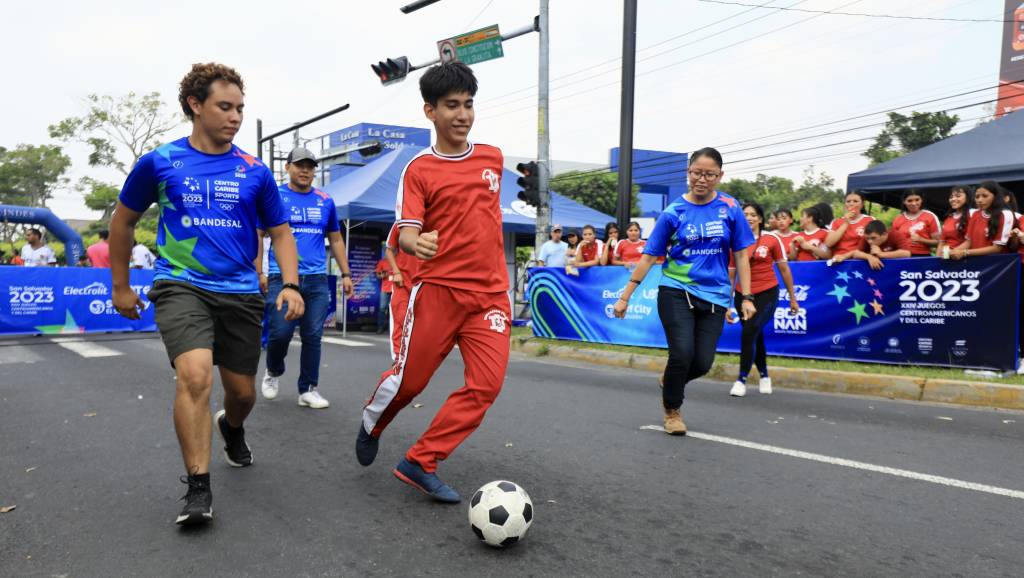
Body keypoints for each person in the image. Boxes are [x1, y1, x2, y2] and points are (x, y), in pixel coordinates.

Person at [109, 63, 305, 526]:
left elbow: (280, 232)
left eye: (240, 108)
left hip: (240, 292)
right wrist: (119, 286)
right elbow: (123, 221)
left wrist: (291, 283)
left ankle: (231, 427)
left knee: (241, 393)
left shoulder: (255, 172)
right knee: (195, 377)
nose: (235, 116)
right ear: (196, 106)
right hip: (181, 284)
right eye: (225, 106)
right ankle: (198, 488)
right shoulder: (159, 161)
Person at [355, 62, 511, 504]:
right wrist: (415, 243)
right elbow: (405, 230)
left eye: (468, 104)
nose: (462, 115)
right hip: (437, 292)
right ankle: (373, 421)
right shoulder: (418, 169)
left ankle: (422, 459)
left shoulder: (492, 159)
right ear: (430, 111)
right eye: (451, 106)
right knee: (411, 382)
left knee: (487, 385)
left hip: (490, 297)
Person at [614, 147, 756, 436]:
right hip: (675, 289)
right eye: (696, 173)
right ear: (688, 173)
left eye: (709, 174)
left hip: (715, 295)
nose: (702, 179)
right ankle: (672, 411)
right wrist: (625, 295)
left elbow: (741, 254)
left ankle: (670, 379)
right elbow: (649, 257)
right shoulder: (673, 212)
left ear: (720, 176)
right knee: (681, 353)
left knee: (702, 362)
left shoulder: (730, 207)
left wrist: (747, 297)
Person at [258, 147, 355, 409]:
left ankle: (308, 389)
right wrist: (260, 271)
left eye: (310, 166)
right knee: (281, 332)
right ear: (288, 167)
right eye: (300, 165)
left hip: (317, 280)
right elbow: (259, 233)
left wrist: (346, 274)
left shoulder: (325, 200)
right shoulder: (274, 196)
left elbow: (335, 238)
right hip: (282, 278)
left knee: (313, 334)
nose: (305, 171)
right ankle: (273, 371)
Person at [727, 202, 799, 397]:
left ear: (760, 218)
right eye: (745, 214)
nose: (749, 217)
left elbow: (784, 269)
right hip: (743, 295)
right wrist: (727, 303)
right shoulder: (735, 241)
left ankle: (741, 379)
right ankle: (764, 375)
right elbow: (731, 275)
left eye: (753, 214)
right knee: (754, 334)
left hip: (767, 292)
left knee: (750, 331)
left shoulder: (772, 239)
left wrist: (793, 298)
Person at [384, 221, 421, 360]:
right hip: (403, 282)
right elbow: (389, 250)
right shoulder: (400, 223)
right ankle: (398, 360)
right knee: (400, 320)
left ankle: (414, 359)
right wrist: (396, 272)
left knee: (421, 324)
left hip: (424, 283)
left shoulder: (435, 221)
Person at [951, 180, 1014, 260]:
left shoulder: (1005, 214)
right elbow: (969, 241)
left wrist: (965, 252)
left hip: (997, 265)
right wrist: (954, 251)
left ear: (995, 196)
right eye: (977, 197)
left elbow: (997, 248)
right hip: (977, 264)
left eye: (985, 196)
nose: (980, 200)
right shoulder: (975, 214)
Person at [831, 220, 912, 269]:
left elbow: (906, 253)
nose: (869, 241)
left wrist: (881, 254)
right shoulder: (866, 237)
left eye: (873, 238)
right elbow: (856, 253)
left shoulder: (896, 235)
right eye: (867, 238)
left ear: (884, 234)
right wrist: (869, 257)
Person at [892, 190, 941, 257]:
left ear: (922, 200)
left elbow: (939, 242)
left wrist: (921, 239)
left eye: (917, 200)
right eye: (910, 201)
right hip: (902, 258)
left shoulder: (930, 216)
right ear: (904, 202)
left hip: (922, 258)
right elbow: (893, 243)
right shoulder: (898, 219)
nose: (914, 203)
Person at [825, 192, 874, 257]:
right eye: (848, 201)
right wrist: (846, 223)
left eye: (855, 201)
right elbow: (828, 243)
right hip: (839, 261)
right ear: (845, 204)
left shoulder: (870, 220)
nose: (851, 204)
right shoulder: (836, 222)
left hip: (860, 260)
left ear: (862, 205)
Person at [937, 186, 974, 258]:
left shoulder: (972, 214)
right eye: (951, 197)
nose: (953, 199)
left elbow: (971, 241)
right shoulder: (949, 218)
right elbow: (942, 242)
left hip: (965, 259)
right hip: (947, 259)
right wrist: (937, 260)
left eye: (958, 196)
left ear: (968, 198)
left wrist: (950, 253)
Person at [375, 244, 394, 335]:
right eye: (386, 251)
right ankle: (381, 327)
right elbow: (378, 275)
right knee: (382, 308)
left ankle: (392, 329)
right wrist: (382, 275)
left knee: (393, 309)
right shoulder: (382, 262)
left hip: (395, 288)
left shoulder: (397, 260)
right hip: (385, 289)